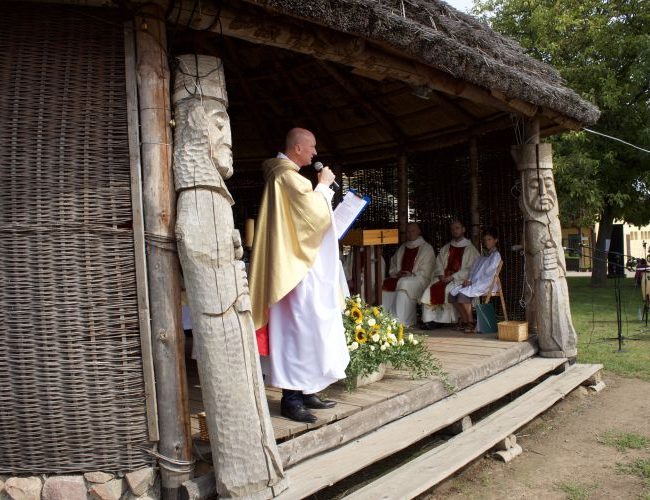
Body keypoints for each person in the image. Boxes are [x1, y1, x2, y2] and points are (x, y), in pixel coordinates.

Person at [249, 128, 350, 423]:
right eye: (312, 147)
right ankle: (291, 399)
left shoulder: (286, 176)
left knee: (307, 330)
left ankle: (306, 391)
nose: (315, 152)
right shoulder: (287, 177)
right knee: (296, 332)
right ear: (297, 148)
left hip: (299, 265)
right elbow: (312, 217)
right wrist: (324, 187)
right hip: (293, 272)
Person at [419, 220, 479, 328]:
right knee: (429, 289)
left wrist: (453, 277)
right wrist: (441, 274)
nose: (455, 231)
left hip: (459, 279)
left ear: (463, 229)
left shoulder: (471, 249)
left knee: (449, 290)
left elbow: (471, 269)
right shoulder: (446, 248)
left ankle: (450, 320)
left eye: (457, 228)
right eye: (452, 229)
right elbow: (438, 263)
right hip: (444, 278)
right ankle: (430, 320)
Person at [448, 228, 502, 333]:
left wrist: (473, 282)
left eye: (489, 239)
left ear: (496, 240)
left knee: (463, 295)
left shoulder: (496, 256)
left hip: (487, 284)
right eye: (485, 240)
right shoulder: (481, 257)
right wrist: (468, 280)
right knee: (452, 294)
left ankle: (471, 322)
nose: (487, 242)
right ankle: (465, 320)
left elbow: (489, 275)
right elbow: (472, 271)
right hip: (474, 282)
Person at [381, 223, 435, 326]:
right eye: (408, 231)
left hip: (419, 279)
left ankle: (401, 320)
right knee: (386, 282)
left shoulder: (426, 248)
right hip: (401, 277)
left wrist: (411, 274)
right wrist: (397, 273)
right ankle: (385, 319)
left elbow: (428, 269)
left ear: (419, 231)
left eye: (413, 231)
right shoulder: (402, 247)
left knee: (404, 283)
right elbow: (393, 263)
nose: (410, 233)